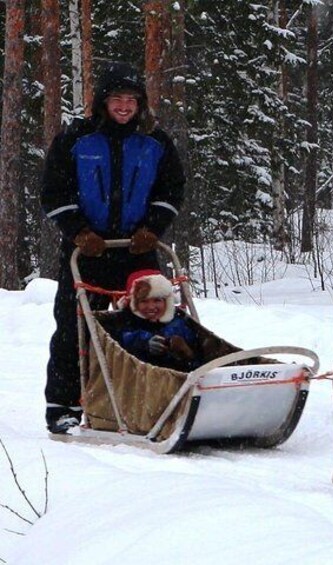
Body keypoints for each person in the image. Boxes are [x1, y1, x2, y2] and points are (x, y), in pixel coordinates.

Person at [41, 61, 186, 434]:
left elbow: (171, 190)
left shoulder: (155, 141)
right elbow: (53, 191)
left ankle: (160, 395)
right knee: (75, 330)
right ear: (103, 102)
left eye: (131, 100)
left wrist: (153, 228)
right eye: (116, 99)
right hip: (86, 251)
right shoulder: (77, 139)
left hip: (137, 250)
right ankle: (64, 407)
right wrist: (78, 231)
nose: (124, 107)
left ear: (140, 104)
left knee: (154, 321)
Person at [111, 269, 200, 372]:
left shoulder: (179, 324)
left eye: (157, 300)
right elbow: (124, 342)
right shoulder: (127, 322)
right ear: (134, 303)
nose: (151, 307)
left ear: (166, 302)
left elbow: (198, 358)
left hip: (180, 377)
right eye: (144, 301)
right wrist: (145, 345)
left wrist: (186, 352)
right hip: (140, 378)